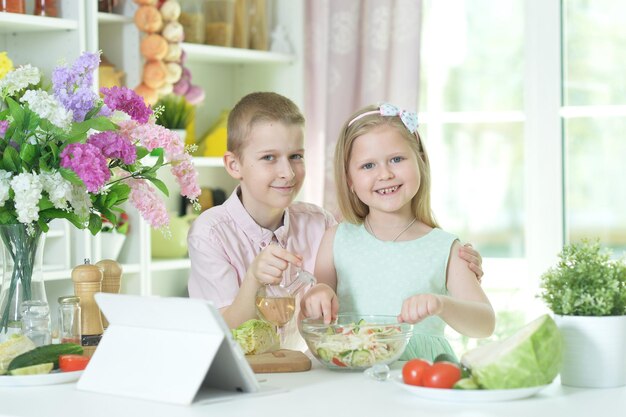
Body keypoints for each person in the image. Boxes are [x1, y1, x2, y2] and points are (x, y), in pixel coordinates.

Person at [188, 93, 485, 350]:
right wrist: (254, 279)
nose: (288, 173)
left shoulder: (321, 225)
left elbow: (345, 278)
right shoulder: (211, 233)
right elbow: (221, 331)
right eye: (269, 157)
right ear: (233, 164)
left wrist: (452, 265)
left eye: (296, 156)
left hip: (305, 376)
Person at [300, 103, 495, 361]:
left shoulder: (446, 248)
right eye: (368, 166)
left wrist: (442, 305)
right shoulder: (336, 239)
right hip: (350, 378)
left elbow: (485, 324)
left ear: (420, 162)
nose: (385, 174)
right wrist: (315, 297)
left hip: (421, 378)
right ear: (350, 180)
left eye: (397, 159)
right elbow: (313, 319)